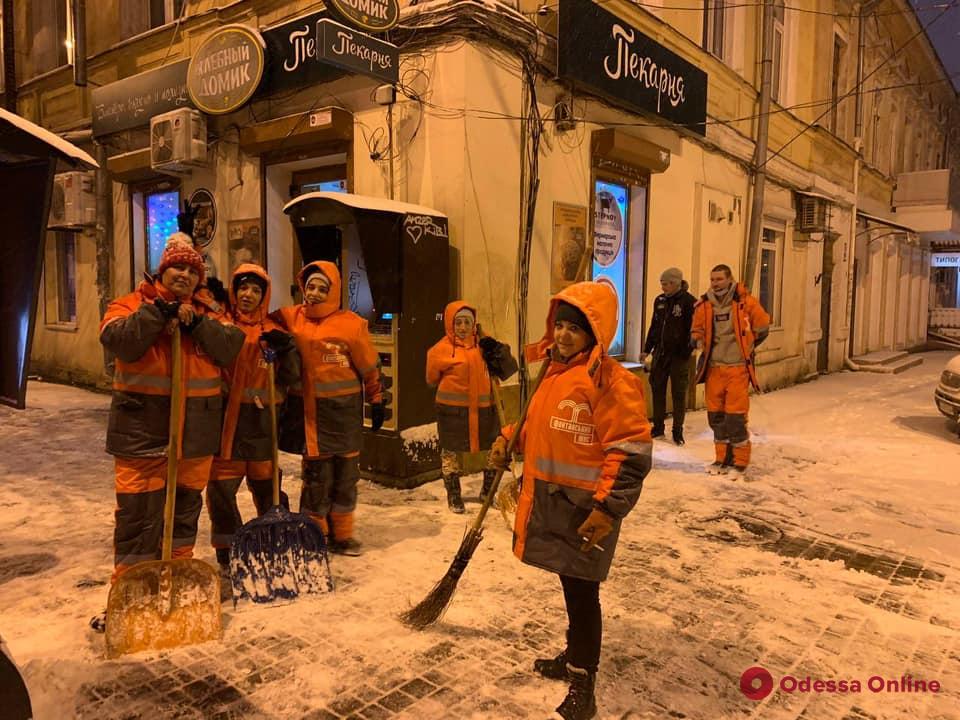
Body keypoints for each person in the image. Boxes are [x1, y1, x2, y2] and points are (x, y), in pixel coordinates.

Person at [489, 282, 652, 720]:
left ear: (593, 333)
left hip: (586, 510)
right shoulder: (555, 373)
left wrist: (606, 509)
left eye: (574, 329)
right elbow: (539, 426)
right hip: (554, 501)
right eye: (559, 325)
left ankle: (584, 684)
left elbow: (630, 453)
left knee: (583, 594)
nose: (562, 336)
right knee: (570, 586)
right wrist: (510, 439)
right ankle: (573, 656)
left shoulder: (611, 382)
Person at [98, 237, 244, 604]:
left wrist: (197, 325)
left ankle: (176, 577)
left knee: (184, 512)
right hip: (141, 432)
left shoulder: (208, 312)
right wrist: (158, 313)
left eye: (192, 270)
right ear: (162, 270)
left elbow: (230, 347)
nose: (184, 274)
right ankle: (131, 591)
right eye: (178, 267)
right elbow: (120, 341)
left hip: (195, 433)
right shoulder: (130, 304)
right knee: (138, 515)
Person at [274, 261, 383, 556]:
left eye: (323, 288)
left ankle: (343, 535)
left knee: (346, 476)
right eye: (311, 286)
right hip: (309, 417)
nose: (316, 293)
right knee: (317, 478)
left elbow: (369, 368)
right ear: (302, 288)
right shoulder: (290, 318)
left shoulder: (351, 325)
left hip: (344, 415)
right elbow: (256, 320)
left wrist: (377, 400)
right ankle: (315, 535)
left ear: (334, 291)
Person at [205, 264, 301, 572]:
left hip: (262, 427)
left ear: (264, 295)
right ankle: (228, 550)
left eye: (256, 290)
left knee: (269, 489)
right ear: (234, 291)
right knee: (221, 492)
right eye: (243, 288)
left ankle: (279, 542)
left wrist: (287, 351)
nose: (248, 294)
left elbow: (291, 378)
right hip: (227, 427)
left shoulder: (274, 331)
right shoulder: (220, 324)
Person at [426, 302, 517, 513]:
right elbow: (432, 378)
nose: (463, 327)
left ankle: (488, 491)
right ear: (450, 324)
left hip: (485, 410)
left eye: (467, 322)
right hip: (452, 412)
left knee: (492, 450)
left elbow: (508, 369)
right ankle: (454, 496)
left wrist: (494, 348)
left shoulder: (484, 347)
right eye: (458, 322)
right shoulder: (440, 350)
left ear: (474, 324)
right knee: (451, 454)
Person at [690, 264, 770, 476]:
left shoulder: (745, 303)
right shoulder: (704, 305)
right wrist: (696, 339)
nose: (715, 283)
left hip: (737, 369)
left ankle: (739, 463)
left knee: (735, 417)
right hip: (714, 369)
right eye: (712, 279)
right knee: (716, 417)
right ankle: (721, 460)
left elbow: (762, 327)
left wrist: (748, 347)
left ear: (729, 279)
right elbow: (697, 329)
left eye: (719, 279)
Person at [642, 267, 696, 445]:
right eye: (662, 284)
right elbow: (654, 326)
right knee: (657, 389)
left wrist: (687, 350)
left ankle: (677, 431)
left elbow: (693, 330)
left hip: (679, 357)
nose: (663, 288)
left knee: (678, 393)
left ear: (675, 283)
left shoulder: (689, 302)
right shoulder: (659, 301)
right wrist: (647, 348)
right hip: (660, 354)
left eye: (665, 284)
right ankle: (658, 427)